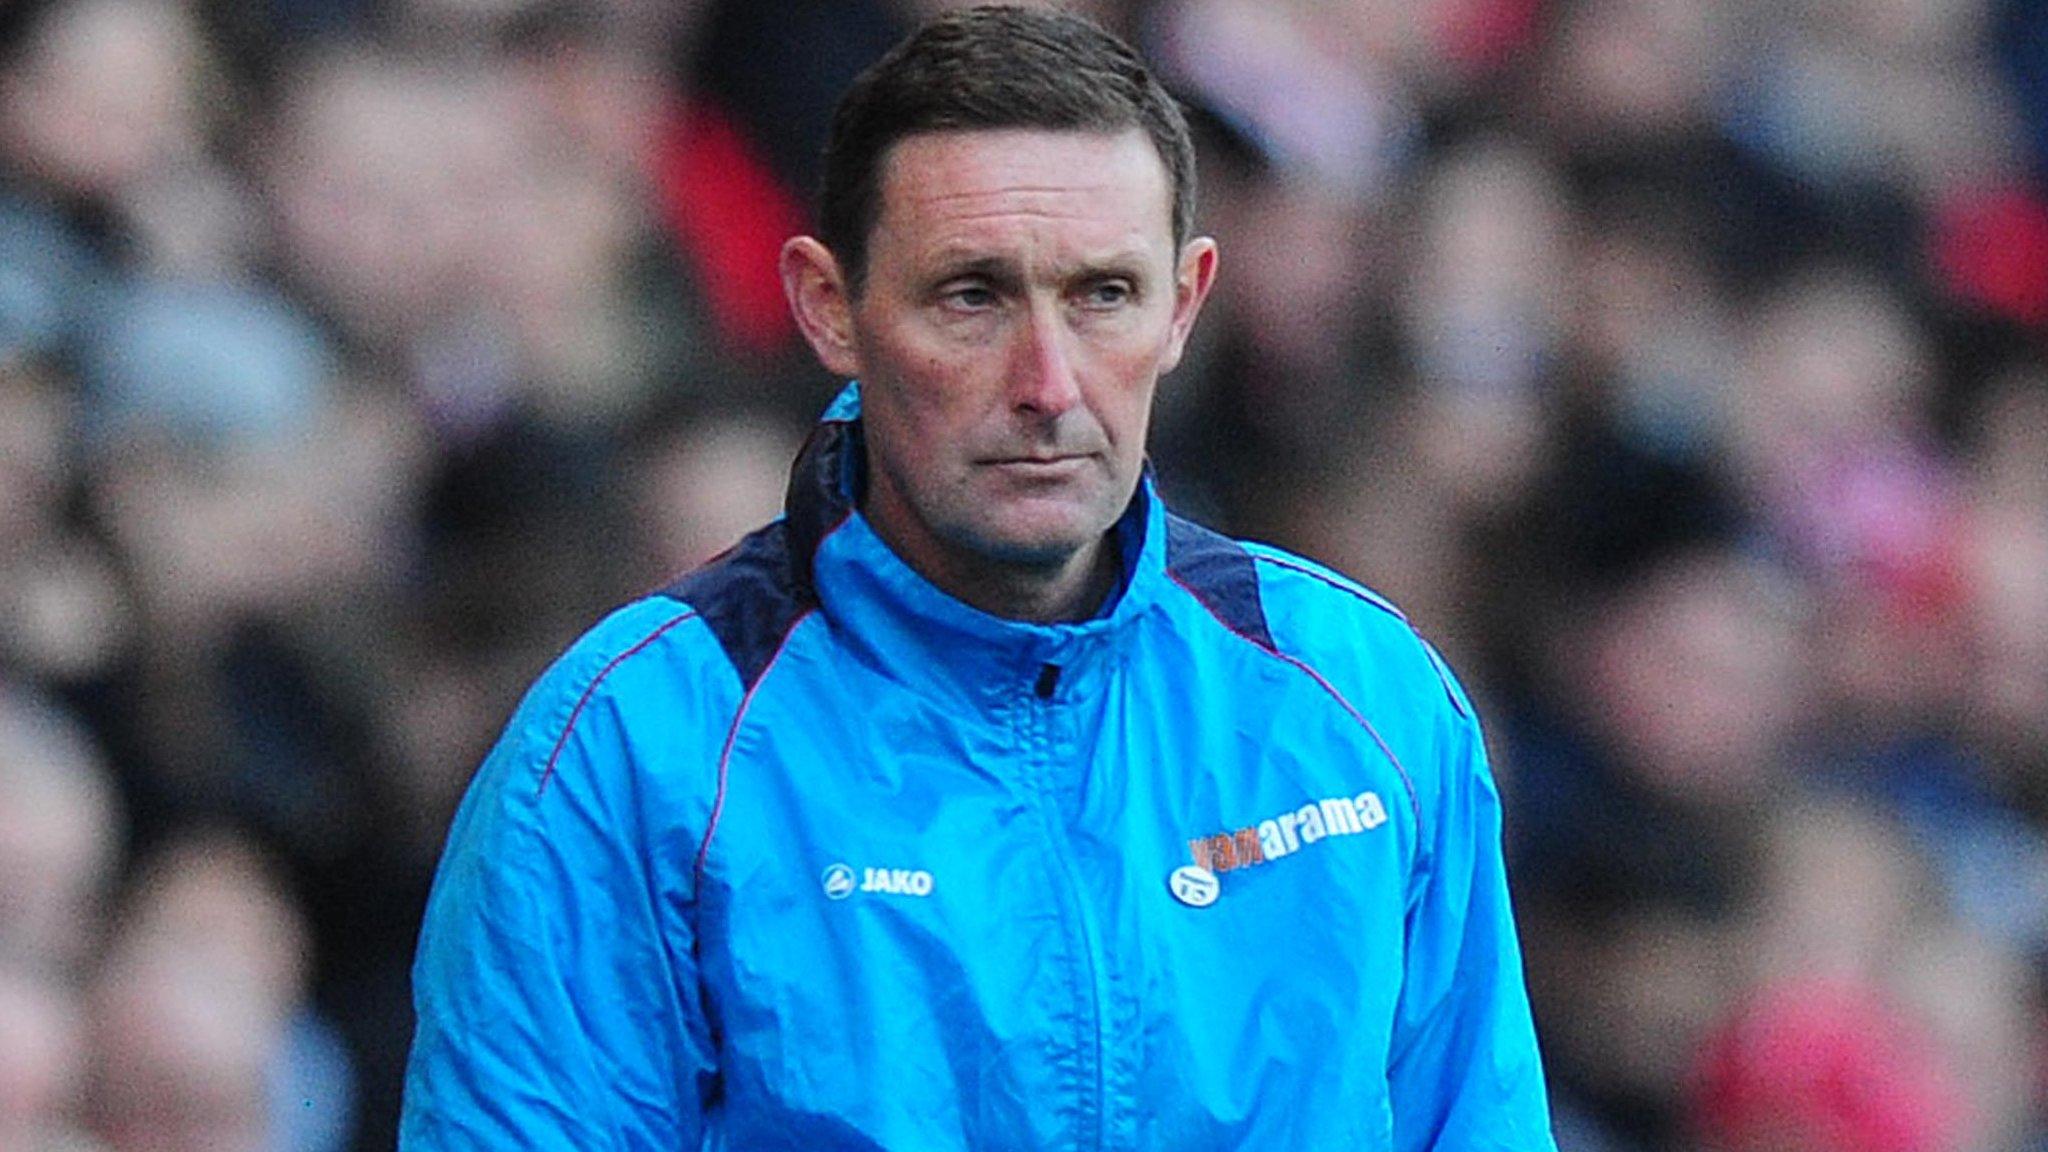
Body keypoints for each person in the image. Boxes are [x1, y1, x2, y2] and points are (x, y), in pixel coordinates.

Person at [401, 6, 1556, 1149]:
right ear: (827, 307)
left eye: (1102, 294)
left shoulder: (1363, 698)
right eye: (972, 296)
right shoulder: (630, 752)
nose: (1047, 383)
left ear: (1183, 305)